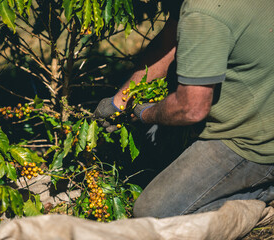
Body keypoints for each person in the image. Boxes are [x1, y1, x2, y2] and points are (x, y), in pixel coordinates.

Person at [94, 0, 274, 218]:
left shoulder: (202, 12)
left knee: (153, 213)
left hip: (256, 142)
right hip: (259, 108)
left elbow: (191, 108)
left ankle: (264, 192)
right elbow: (168, 45)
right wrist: (120, 100)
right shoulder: (197, 9)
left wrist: (146, 113)